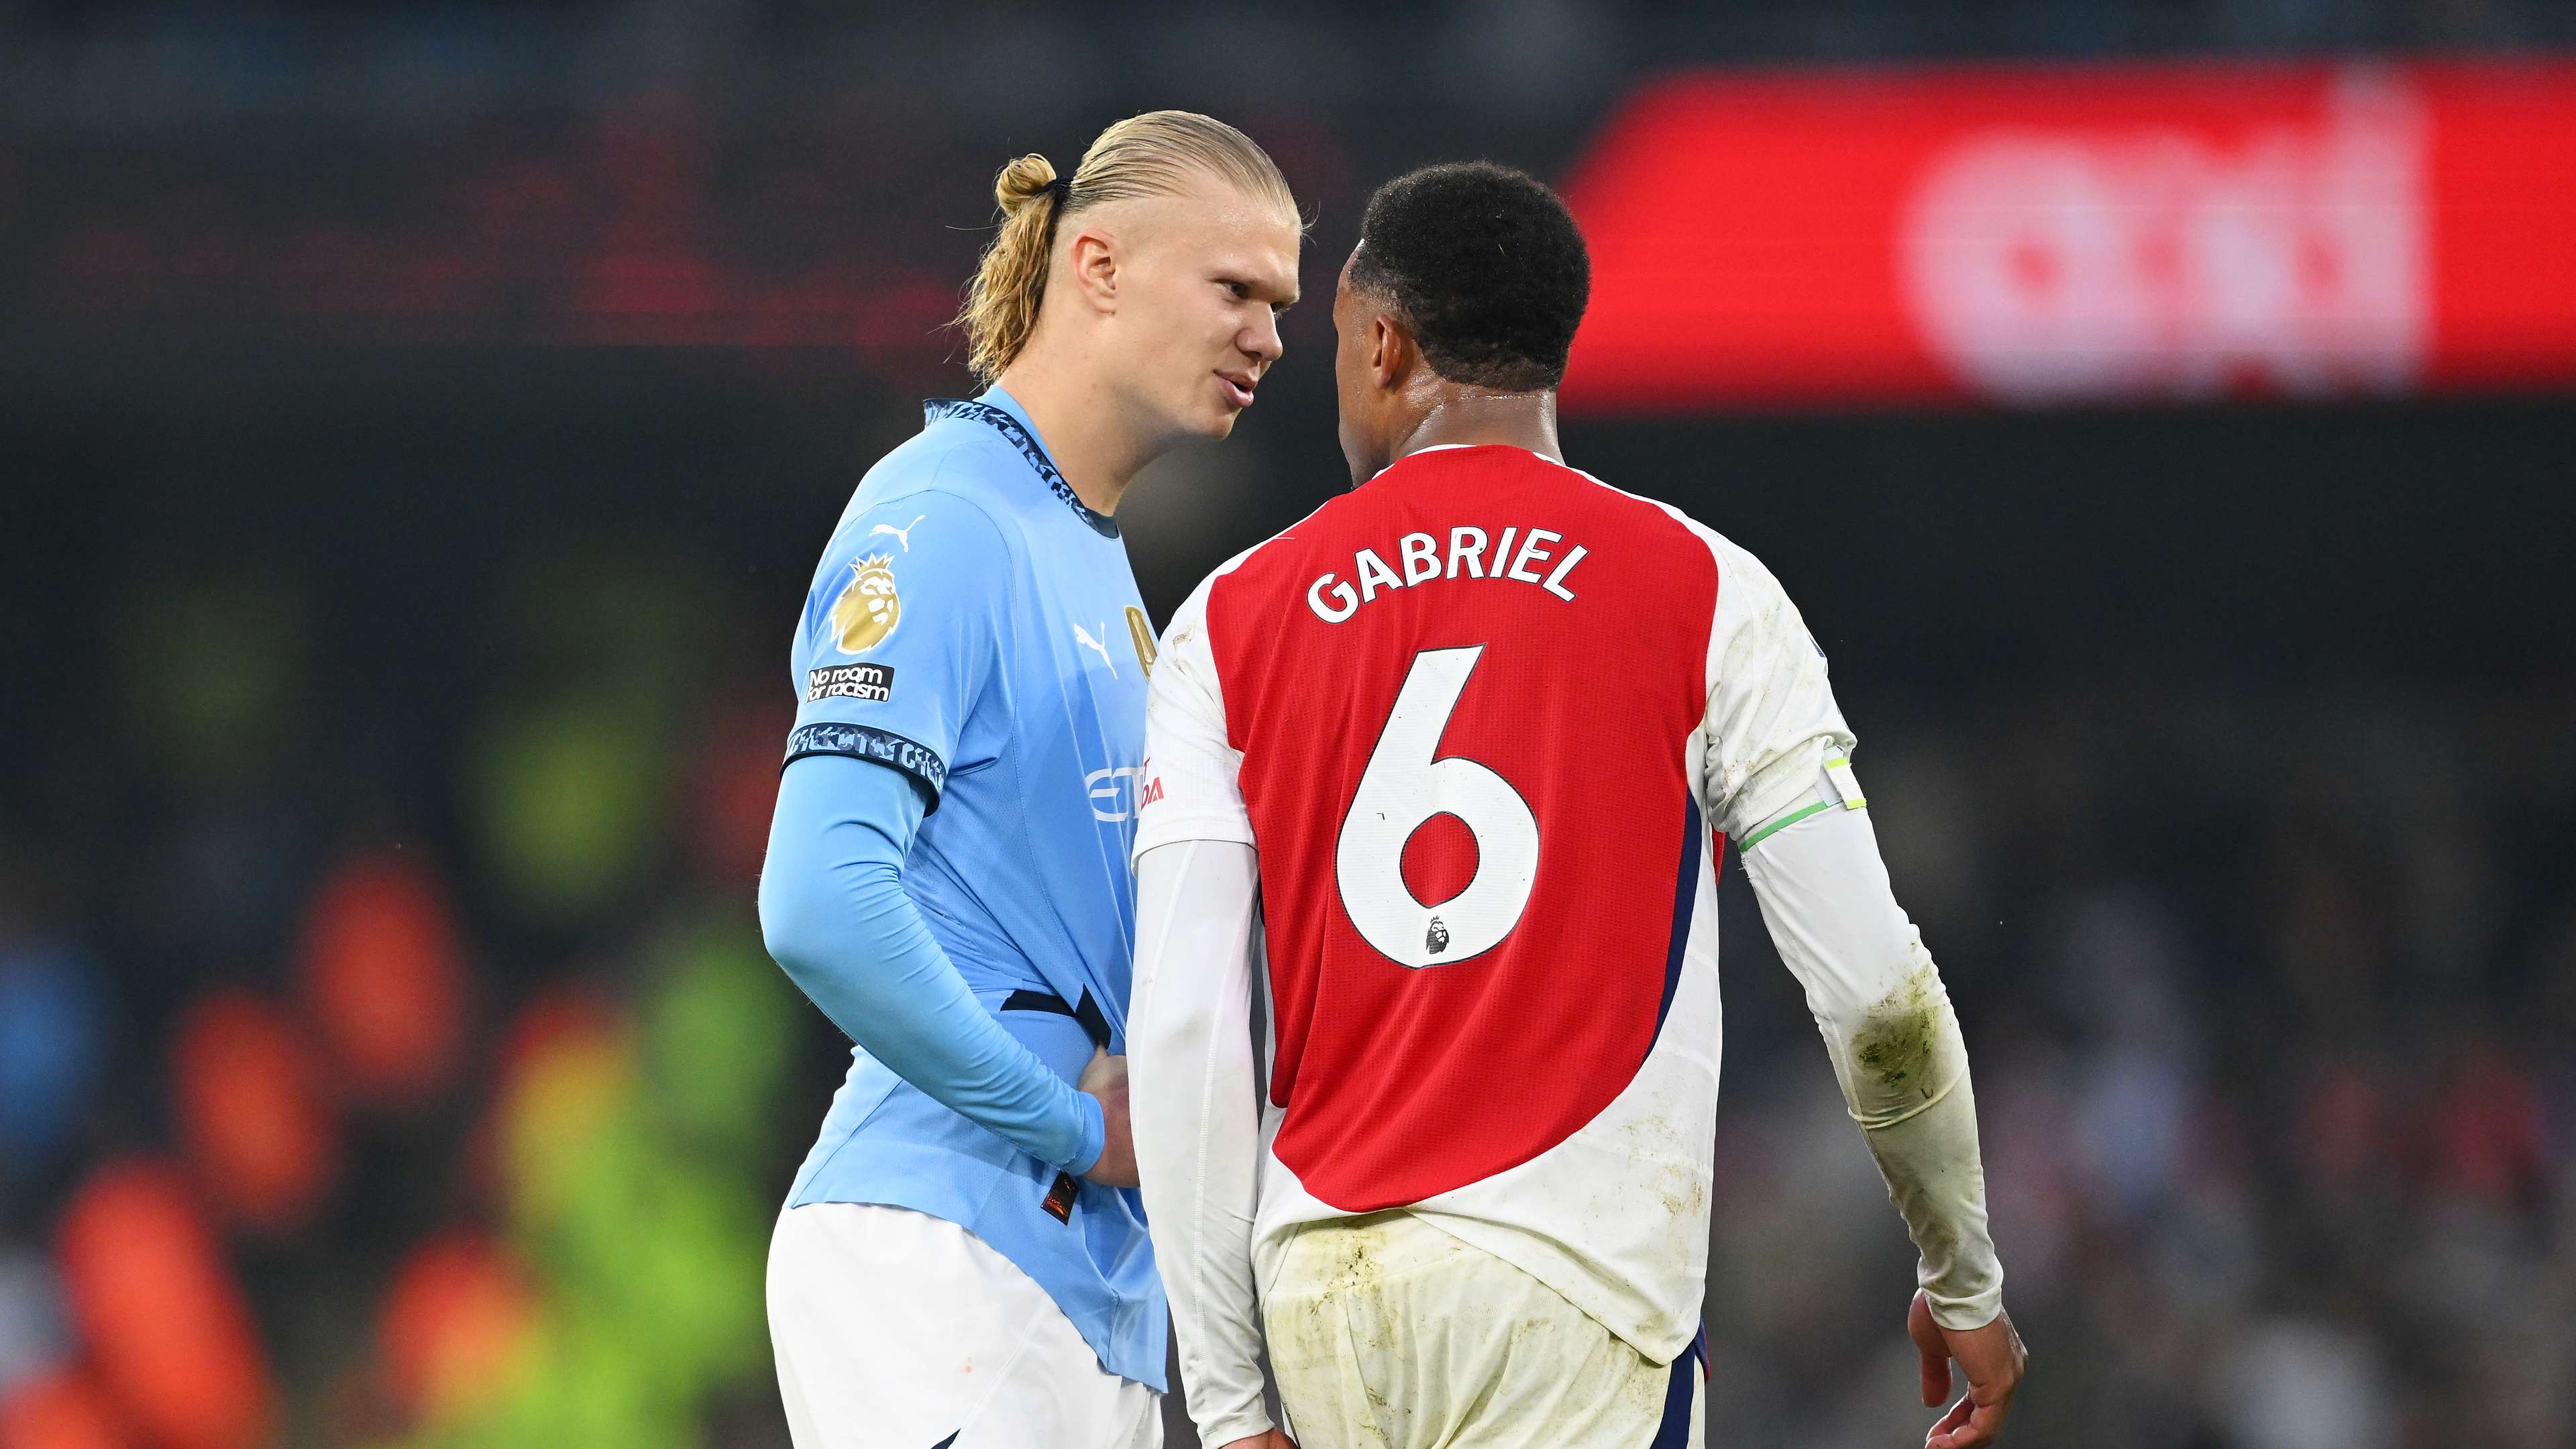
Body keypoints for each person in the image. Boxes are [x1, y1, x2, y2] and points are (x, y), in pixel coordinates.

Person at [1126, 162, 2026, 1449]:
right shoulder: (1709, 594)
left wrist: (1225, 1405)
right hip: (1575, 1297)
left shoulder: (1227, 622)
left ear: (1384, 343)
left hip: (1323, 1296)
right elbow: (1877, 993)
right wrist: (1963, 1277)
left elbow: (1188, 1033)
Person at [757, 111, 1300, 1448]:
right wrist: (1065, 1125)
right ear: (1098, 268)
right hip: (944, 1264)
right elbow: (820, 899)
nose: (1270, 338)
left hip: (1083, 1292)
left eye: (1281, 306)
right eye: (1235, 290)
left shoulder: (1094, 564)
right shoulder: (939, 516)